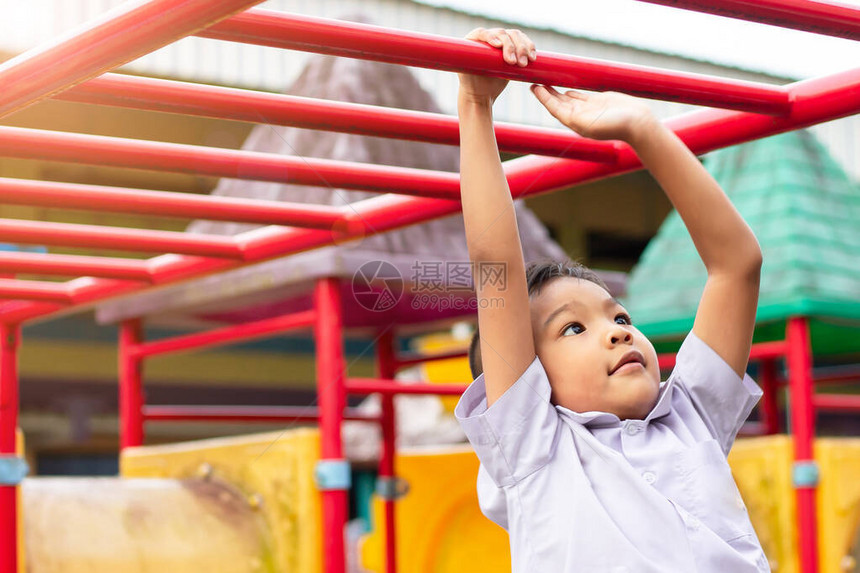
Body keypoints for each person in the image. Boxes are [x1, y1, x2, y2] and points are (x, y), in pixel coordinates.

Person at [453, 27, 769, 572]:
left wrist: (643, 129)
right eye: (572, 329)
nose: (619, 331)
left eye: (619, 316)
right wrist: (475, 106)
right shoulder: (536, 445)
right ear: (529, 381)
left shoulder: (690, 416)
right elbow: (497, 271)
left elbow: (736, 266)